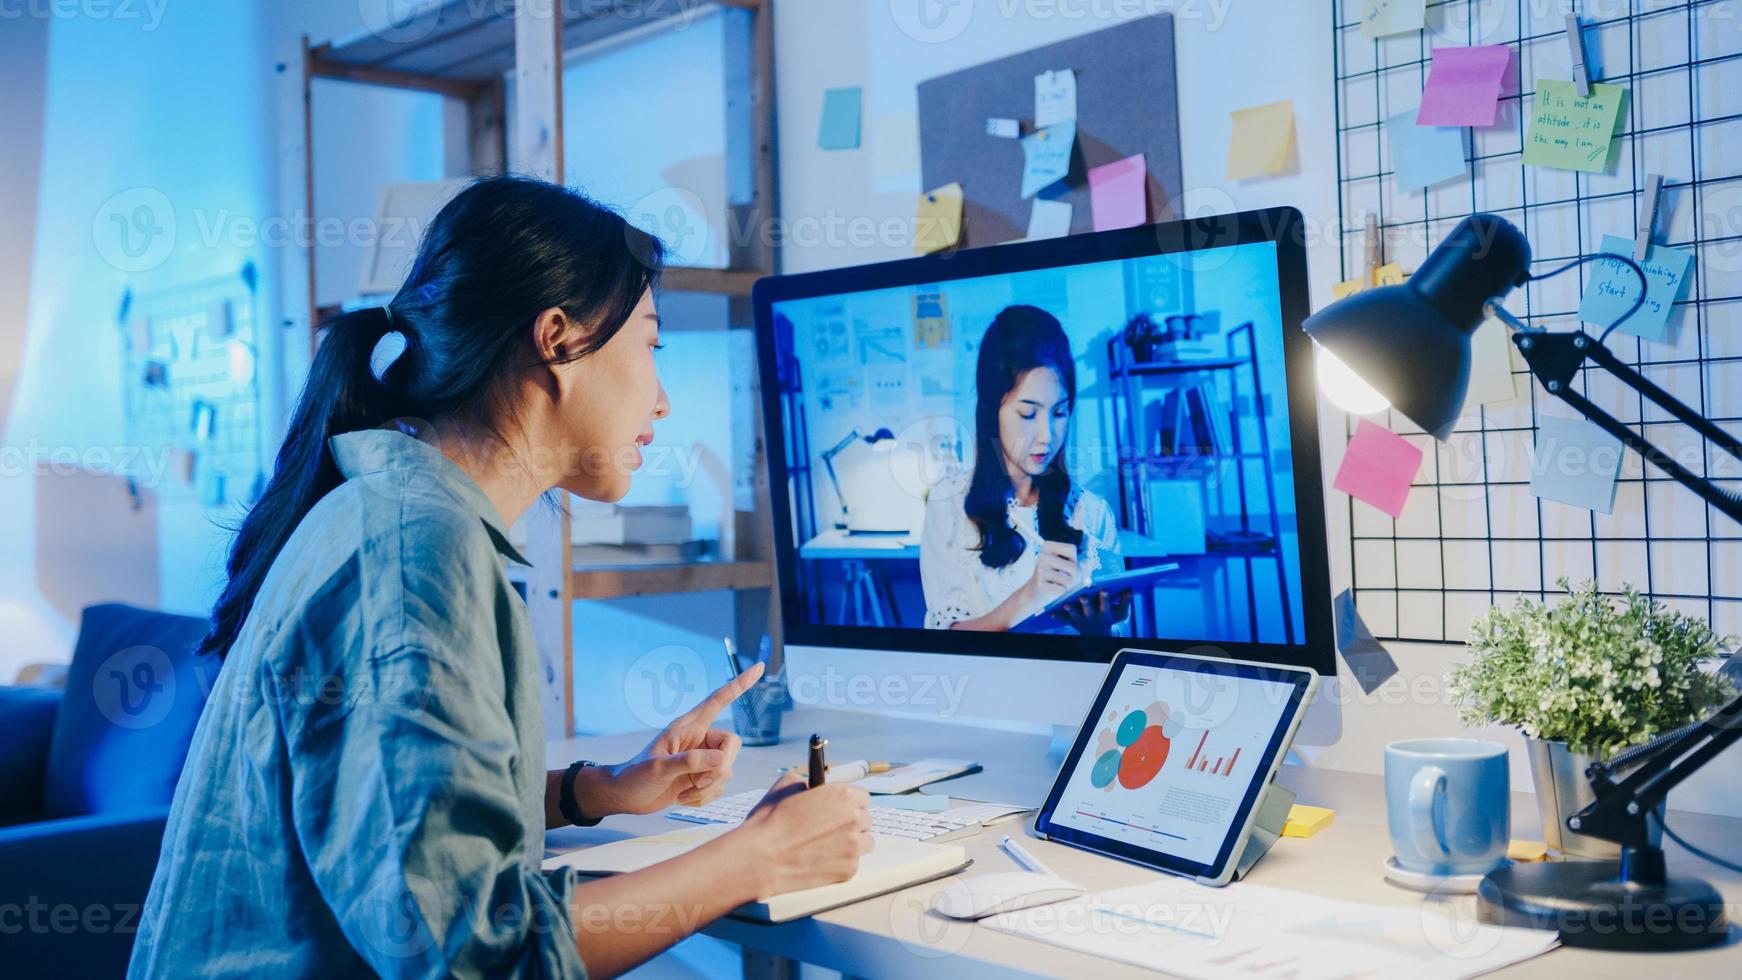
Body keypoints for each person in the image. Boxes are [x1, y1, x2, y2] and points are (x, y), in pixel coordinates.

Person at [129, 176, 871, 979]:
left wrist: (597, 791)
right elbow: (478, 959)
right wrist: (757, 857)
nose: (660, 401)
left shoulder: (397, 514)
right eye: (650, 347)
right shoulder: (415, 555)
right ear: (558, 339)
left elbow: (390, 805)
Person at [919, 304, 1128, 634]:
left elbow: (1115, 646)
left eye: (1059, 413)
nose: (1047, 436)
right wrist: (1031, 594)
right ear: (992, 408)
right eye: (1028, 414)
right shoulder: (950, 503)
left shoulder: (1091, 512)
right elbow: (950, 639)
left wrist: (1099, 631)